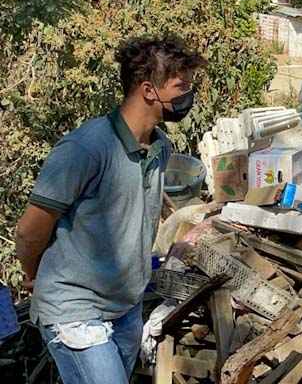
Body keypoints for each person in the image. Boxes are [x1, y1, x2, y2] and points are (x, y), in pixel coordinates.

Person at [16, 37, 207, 384]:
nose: (188, 96)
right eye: (182, 86)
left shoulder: (160, 147)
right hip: (74, 308)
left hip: (125, 306)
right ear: (149, 90)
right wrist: (34, 275)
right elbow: (30, 229)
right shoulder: (86, 148)